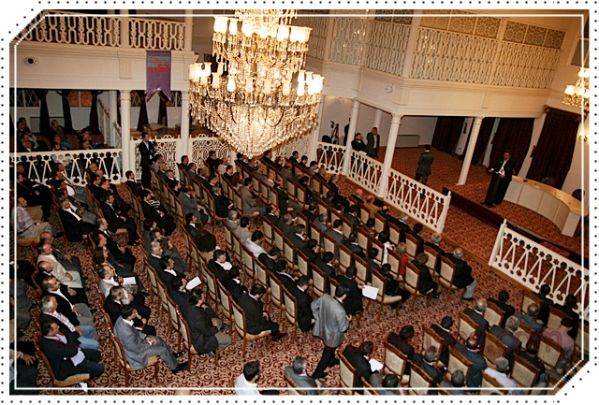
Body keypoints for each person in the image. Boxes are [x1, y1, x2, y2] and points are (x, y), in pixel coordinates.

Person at [113, 305, 188, 374]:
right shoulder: (127, 334)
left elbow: (134, 332)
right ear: (129, 316)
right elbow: (136, 348)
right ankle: (175, 368)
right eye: (134, 312)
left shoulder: (121, 318)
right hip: (136, 354)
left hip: (135, 343)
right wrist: (149, 343)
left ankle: (171, 355)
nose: (136, 312)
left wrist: (145, 337)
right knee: (163, 350)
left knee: (158, 339)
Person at [39, 320, 105, 380]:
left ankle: (89, 365)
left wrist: (73, 340)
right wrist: (72, 343)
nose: (58, 327)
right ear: (50, 333)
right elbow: (72, 352)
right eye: (56, 328)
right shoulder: (49, 346)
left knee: (98, 354)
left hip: (75, 353)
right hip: (70, 364)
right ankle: (85, 373)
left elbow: (69, 335)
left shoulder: (54, 334)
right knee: (100, 369)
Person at [310, 286, 351, 379]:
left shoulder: (325, 297)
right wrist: (348, 320)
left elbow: (313, 305)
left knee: (330, 352)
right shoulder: (340, 311)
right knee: (326, 354)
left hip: (323, 328)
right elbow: (343, 328)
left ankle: (332, 359)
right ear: (344, 296)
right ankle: (317, 373)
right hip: (332, 337)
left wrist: (318, 317)